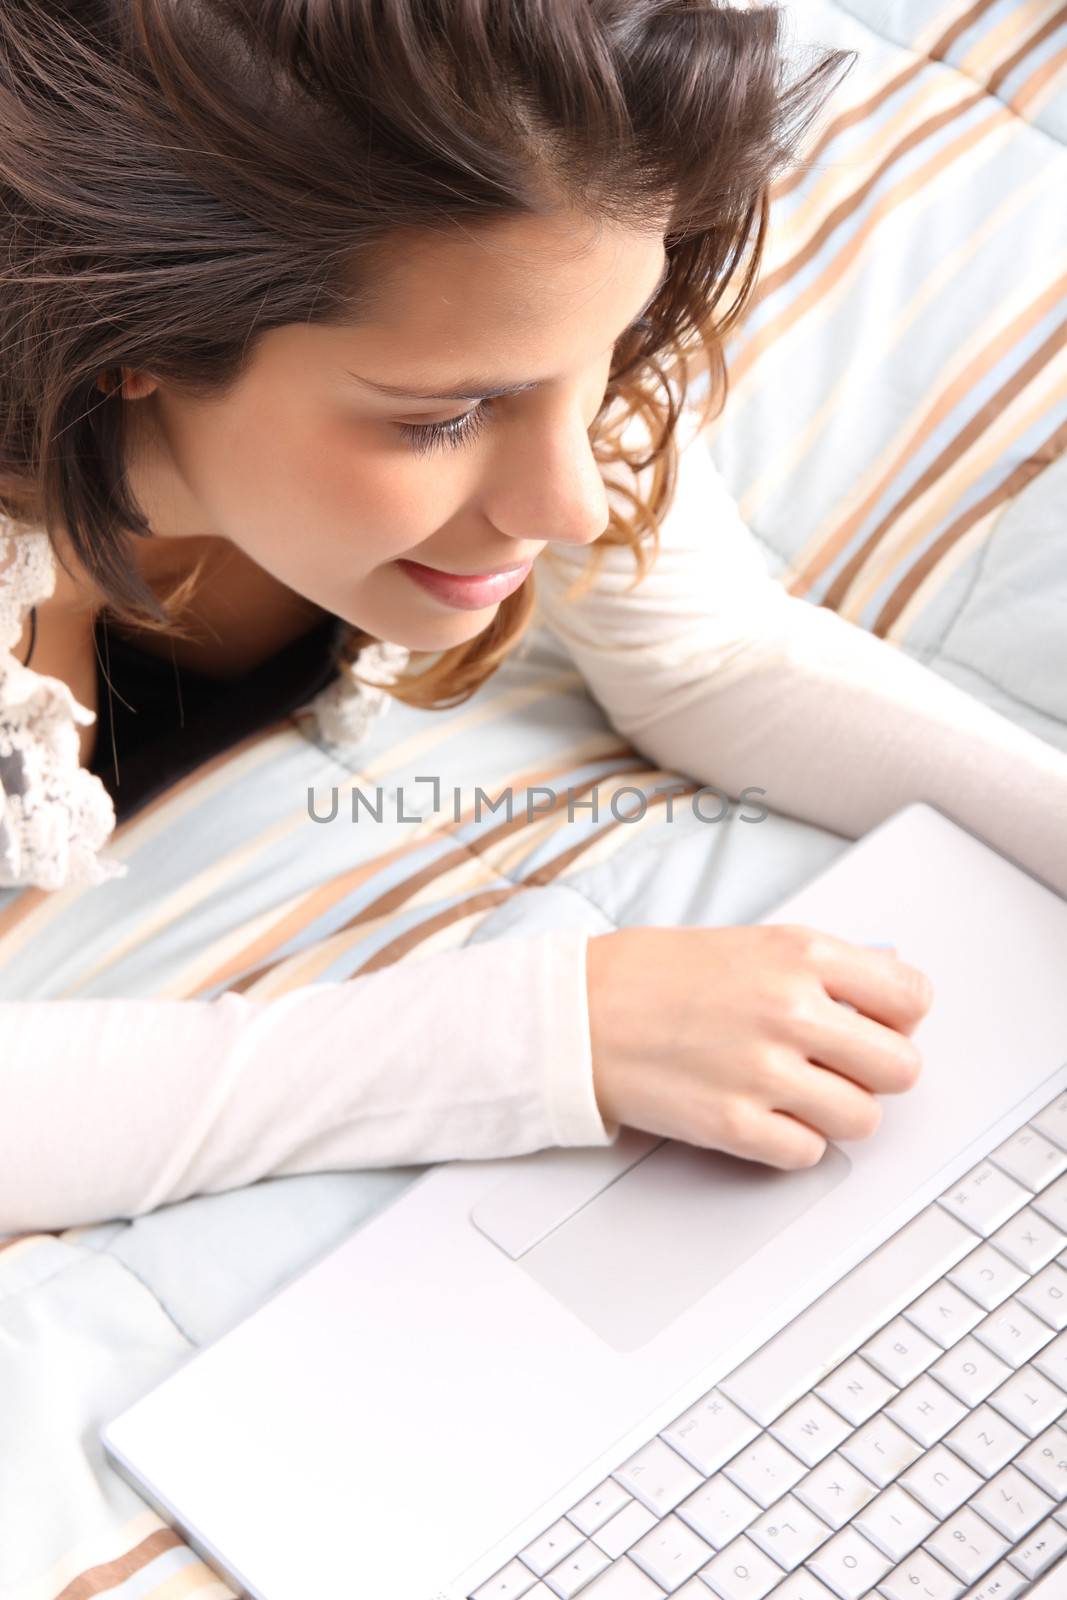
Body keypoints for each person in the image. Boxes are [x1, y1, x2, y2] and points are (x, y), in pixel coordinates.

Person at [0, 0, 1064, 1237]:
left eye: (607, 356)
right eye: (443, 420)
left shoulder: (520, 288)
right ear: (132, 337)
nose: (567, 502)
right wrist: (557, 1031)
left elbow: (708, 656)